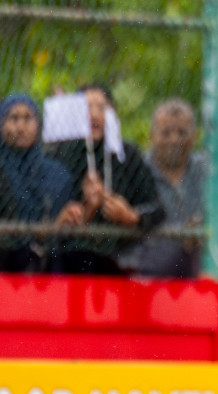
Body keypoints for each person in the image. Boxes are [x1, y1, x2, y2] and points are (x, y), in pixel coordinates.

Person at [47, 84, 165, 276]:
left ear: (113, 114)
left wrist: (130, 216)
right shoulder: (60, 154)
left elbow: (156, 209)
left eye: (102, 107)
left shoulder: (126, 154)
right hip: (70, 262)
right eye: (86, 108)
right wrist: (86, 209)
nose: (94, 115)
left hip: (120, 258)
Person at [122, 99, 208, 279]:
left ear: (194, 136)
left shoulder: (206, 171)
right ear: (152, 136)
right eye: (166, 133)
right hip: (148, 278)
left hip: (197, 278)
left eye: (182, 133)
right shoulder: (136, 173)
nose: (174, 139)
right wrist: (180, 240)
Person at [0, 93, 74, 272]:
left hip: (49, 268)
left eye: (28, 118)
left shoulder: (58, 174)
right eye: (13, 118)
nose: (21, 126)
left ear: (39, 124)